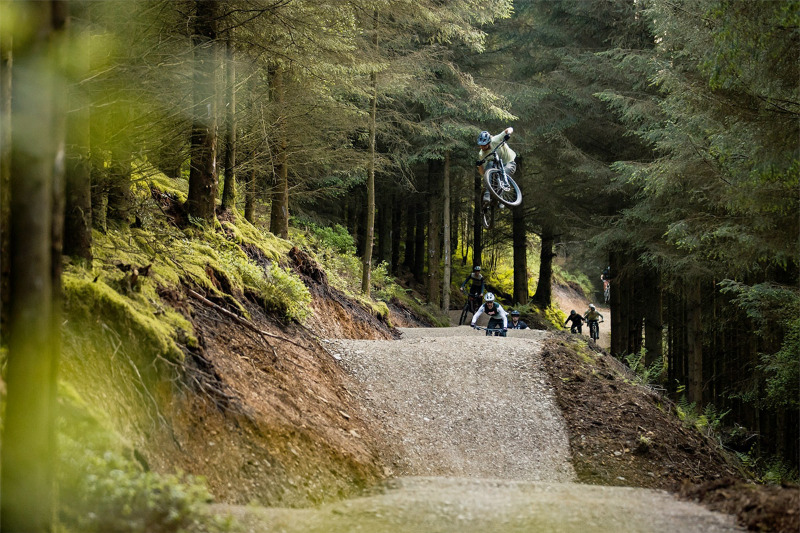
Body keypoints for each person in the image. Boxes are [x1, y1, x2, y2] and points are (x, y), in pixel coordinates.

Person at [476, 128, 517, 207]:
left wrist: (508, 134)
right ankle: (487, 194)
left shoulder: (495, 140)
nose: (482, 147)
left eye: (484, 145)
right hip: (496, 167)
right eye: (480, 145)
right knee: (490, 164)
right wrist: (479, 165)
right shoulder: (481, 154)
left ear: (489, 142)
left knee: (502, 173)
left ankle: (501, 198)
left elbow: (510, 129)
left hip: (509, 163)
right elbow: (483, 173)